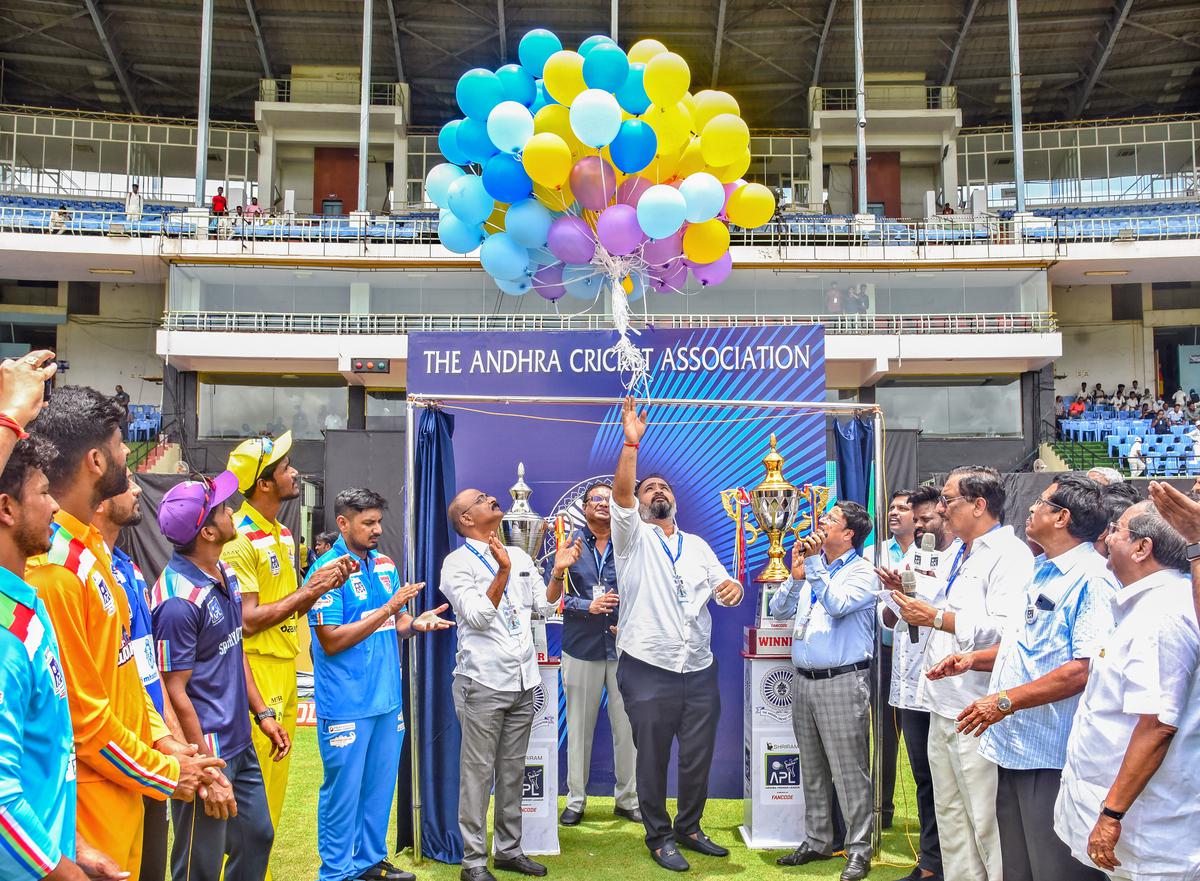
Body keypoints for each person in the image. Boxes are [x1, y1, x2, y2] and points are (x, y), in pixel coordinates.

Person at [26, 386, 222, 880]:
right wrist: (168, 771)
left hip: (126, 793)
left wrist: (162, 742)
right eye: (119, 445)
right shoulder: (55, 573)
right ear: (96, 460)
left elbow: (127, 676)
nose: (125, 455)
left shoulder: (94, 556)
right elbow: (86, 724)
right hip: (91, 806)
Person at [935, 475, 1114, 881]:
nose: (1030, 508)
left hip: (1054, 755)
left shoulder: (1091, 578)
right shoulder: (1040, 568)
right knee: (1019, 869)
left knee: (1054, 868)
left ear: (1062, 517)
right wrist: (973, 660)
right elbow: (1024, 645)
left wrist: (1004, 700)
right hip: (1014, 746)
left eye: (1041, 503)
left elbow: (1082, 668)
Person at [610, 396, 743, 873]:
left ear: (675, 501)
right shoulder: (631, 538)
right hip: (648, 665)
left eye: (663, 487)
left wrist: (730, 588)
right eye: (649, 489)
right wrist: (631, 445)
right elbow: (622, 494)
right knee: (652, 757)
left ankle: (689, 826)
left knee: (697, 754)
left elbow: (725, 584)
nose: (655, 492)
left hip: (699, 666)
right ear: (639, 502)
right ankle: (659, 836)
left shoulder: (699, 544)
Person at [893, 466, 1035, 881]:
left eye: (948, 500)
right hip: (941, 701)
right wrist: (912, 599)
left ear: (979, 504)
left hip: (979, 704)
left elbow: (1006, 629)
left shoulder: (1010, 556)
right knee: (950, 812)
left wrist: (937, 617)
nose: (941, 508)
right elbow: (937, 607)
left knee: (985, 816)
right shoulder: (957, 551)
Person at [221, 432, 353, 870]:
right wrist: (311, 588)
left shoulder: (280, 531)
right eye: (284, 467)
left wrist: (322, 583)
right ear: (263, 483)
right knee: (252, 793)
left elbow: (289, 608)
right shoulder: (238, 539)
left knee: (272, 789)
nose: (294, 472)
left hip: (282, 669)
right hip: (255, 671)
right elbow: (248, 618)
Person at [0, 435, 127, 881]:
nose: (54, 507)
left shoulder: (29, 605)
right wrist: (62, 871)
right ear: (7, 508)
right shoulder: (5, 637)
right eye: (41, 493)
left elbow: (43, 761)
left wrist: (72, 845)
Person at [308, 488, 452, 881]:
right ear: (343, 523)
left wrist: (413, 623)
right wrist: (388, 610)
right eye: (367, 522)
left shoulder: (386, 564)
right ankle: (336, 872)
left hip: (387, 700)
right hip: (347, 703)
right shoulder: (326, 569)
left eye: (378, 522)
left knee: (378, 790)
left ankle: (370, 862)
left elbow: (398, 622)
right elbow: (332, 639)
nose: (377, 529)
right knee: (343, 794)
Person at [153, 472, 287, 881]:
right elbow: (173, 692)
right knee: (200, 866)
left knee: (257, 836)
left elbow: (234, 648)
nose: (232, 511)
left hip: (240, 740)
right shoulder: (177, 600)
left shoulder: (225, 573)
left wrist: (262, 713)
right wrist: (203, 766)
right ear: (208, 530)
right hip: (207, 752)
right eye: (223, 508)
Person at [1054, 501, 1199, 879]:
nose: (1107, 537)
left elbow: (1157, 726)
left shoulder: (1161, 615)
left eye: (1117, 529)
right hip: (1135, 824)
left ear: (1142, 548)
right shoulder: (1146, 606)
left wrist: (1111, 814)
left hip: (1151, 833)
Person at [440, 487, 578, 881]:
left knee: (513, 770)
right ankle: (473, 861)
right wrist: (500, 571)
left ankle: (509, 850)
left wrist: (557, 571)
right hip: (481, 682)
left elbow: (546, 606)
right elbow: (480, 618)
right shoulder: (456, 564)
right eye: (481, 499)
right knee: (478, 774)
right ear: (466, 518)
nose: (490, 499)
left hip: (523, 681)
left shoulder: (518, 554)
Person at [771, 501, 877, 881]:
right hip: (804, 681)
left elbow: (836, 606)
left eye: (830, 520)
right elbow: (779, 610)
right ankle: (817, 839)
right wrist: (796, 576)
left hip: (842, 681)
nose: (820, 523)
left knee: (850, 773)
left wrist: (814, 567)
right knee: (812, 769)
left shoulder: (863, 573)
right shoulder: (816, 571)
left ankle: (859, 849)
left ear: (848, 533)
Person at [96, 471, 182, 881]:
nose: (136, 490)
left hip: (147, 743)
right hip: (115, 762)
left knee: (151, 868)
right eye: (126, 481)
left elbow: (143, 669)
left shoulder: (127, 568)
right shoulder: (73, 575)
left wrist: (168, 736)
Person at [875, 484, 958, 881]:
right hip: (910, 683)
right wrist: (901, 592)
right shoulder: (912, 560)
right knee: (924, 776)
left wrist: (923, 606)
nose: (922, 525)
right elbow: (890, 620)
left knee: (951, 780)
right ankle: (930, 861)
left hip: (949, 684)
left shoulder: (960, 560)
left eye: (926, 519)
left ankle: (951, 861)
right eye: (919, 518)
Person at [555, 482, 640, 828]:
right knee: (578, 729)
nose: (604, 503)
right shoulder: (570, 545)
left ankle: (627, 799)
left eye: (609, 499)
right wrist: (586, 605)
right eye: (596, 499)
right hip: (581, 647)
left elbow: (645, 591)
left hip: (625, 648)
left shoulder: (632, 544)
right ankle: (576, 800)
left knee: (628, 729)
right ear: (584, 507)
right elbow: (552, 598)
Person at [877, 490, 916, 828]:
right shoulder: (874, 552)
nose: (895, 513)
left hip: (920, 655)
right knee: (885, 736)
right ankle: (883, 809)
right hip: (886, 652)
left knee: (920, 735)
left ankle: (927, 810)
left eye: (903, 508)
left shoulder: (934, 553)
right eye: (891, 507)